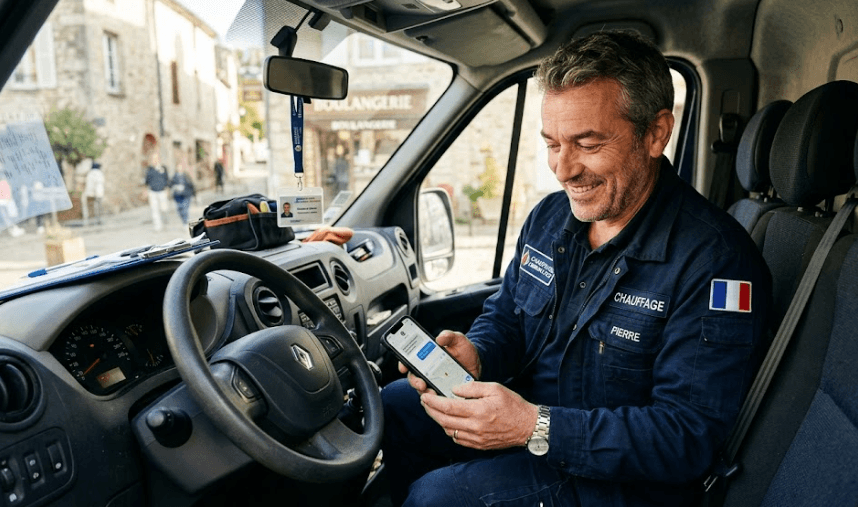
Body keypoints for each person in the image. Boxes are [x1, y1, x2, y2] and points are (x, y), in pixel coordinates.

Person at [381, 31, 772, 507]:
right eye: (552, 144)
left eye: (587, 144)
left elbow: (685, 435)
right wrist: (478, 355)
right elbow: (506, 316)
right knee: (396, 404)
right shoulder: (550, 217)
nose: (563, 170)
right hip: (535, 421)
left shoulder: (716, 263)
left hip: (621, 480)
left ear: (655, 133)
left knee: (436, 499)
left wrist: (534, 426)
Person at [144, 157, 170, 231]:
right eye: (153, 160)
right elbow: (146, 181)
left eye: (156, 159)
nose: (154, 161)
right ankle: (158, 226)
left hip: (162, 191)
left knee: (164, 208)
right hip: (153, 192)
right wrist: (146, 191)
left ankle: (164, 221)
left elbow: (167, 179)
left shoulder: (163, 168)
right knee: (154, 209)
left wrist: (167, 189)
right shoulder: (149, 170)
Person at [82, 161, 105, 226]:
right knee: (98, 207)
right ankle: (98, 219)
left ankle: (91, 220)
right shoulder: (100, 173)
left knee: (91, 208)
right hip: (99, 193)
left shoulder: (89, 173)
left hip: (90, 193)